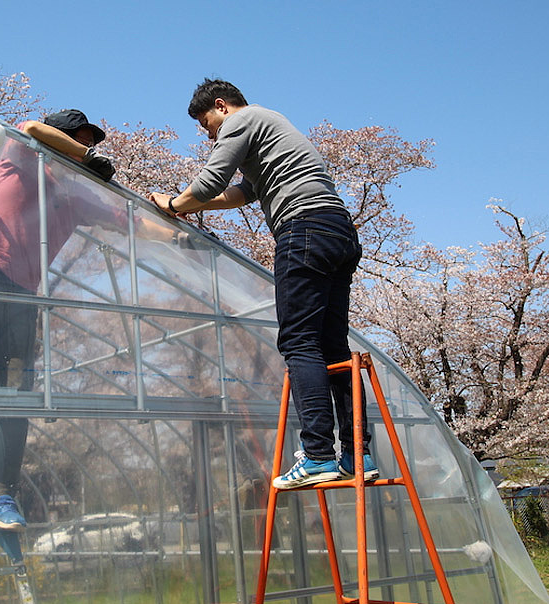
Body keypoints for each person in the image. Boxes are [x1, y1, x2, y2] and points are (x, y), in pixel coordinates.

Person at [149, 79, 379, 490]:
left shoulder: (243, 120)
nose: (209, 135)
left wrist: (173, 204)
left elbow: (209, 182)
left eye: (207, 124)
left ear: (221, 106)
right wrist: (192, 205)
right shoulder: (274, 124)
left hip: (303, 229)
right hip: (338, 230)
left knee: (299, 343)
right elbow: (240, 193)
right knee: (333, 348)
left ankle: (317, 455)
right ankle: (355, 453)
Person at [0, 109, 120, 534]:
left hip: (22, 294)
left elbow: (127, 220)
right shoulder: (21, 157)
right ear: (59, 139)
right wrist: (83, 157)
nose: (85, 151)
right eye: (78, 141)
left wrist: (176, 220)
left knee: (18, 393)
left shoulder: (74, 198)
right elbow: (30, 129)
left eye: (89, 144)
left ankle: (3, 495)